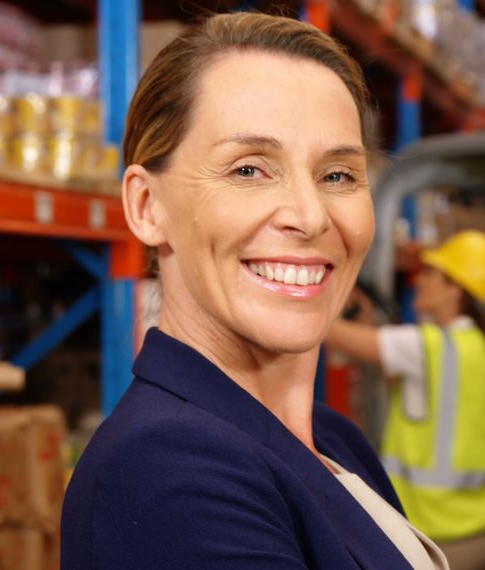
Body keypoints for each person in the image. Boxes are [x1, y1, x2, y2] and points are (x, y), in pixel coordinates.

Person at [61, 12, 448, 569]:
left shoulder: (334, 440)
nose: (310, 216)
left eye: (338, 175)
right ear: (147, 207)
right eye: (248, 170)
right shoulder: (166, 472)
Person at [326, 230, 485, 570]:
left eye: (431, 273)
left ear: (457, 288)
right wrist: (370, 322)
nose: (419, 280)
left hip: (442, 540)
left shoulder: (429, 346)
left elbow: (332, 335)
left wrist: (318, 296)